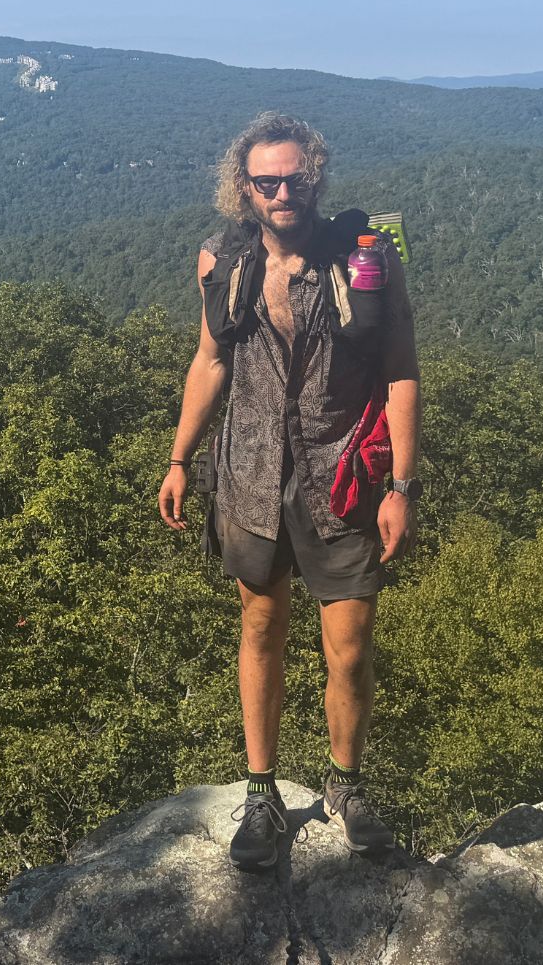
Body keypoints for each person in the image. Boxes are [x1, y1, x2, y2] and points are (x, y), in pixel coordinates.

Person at [156, 111, 420, 870]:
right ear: (244, 186)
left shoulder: (365, 262)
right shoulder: (225, 265)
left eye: (294, 179)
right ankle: (262, 791)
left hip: (342, 477)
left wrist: (402, 483)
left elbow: (402, 369)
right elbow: (209, 363)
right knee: (261, 627)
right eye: (266, 181)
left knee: (350, 645)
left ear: (316, 176)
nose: (282, 193)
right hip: (249, 473)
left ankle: (346, 784)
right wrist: (179, 459)